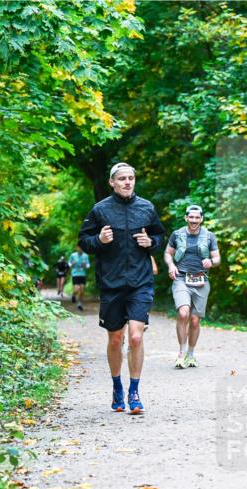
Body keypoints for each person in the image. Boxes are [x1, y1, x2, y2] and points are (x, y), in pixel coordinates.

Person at [78, 162, 165, 414]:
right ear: (112, 183)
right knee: (116, 339)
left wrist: (151, 241)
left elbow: (159, 236)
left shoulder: (146, 208)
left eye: (131, 178)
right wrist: (99, 240)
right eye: (122, 178)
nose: (128, 182)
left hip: (140, 282)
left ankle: (134, 392)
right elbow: (84, 240)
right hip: (111, 283)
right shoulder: (100, 210)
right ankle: (117, 386)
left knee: (136, 336)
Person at [165, 204, 220, 368]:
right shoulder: (177, 234)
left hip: (201, 280)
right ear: (186, 218)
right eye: (191, 217)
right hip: (181, 278)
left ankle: (191, 355)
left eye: (197, 218)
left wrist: (211, 261)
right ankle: (181, 353)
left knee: (195, 320)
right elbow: (168, 253)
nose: (194, 220)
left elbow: (217, 258)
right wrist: (171, 266)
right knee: (183, 313)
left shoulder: (209, 236)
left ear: (201, 219)